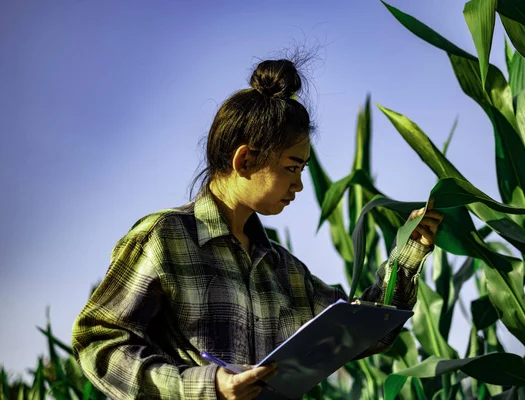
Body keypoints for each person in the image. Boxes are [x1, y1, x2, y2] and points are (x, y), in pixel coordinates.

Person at [72, 58, 443, 400]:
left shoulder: (284, 269)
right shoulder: (163, 239)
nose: (299, 185)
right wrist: (207, 386)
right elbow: (98, 343)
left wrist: (408, 254)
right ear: (245, 159)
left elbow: (364, 330)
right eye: (292, 167)